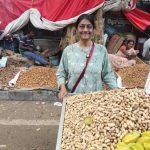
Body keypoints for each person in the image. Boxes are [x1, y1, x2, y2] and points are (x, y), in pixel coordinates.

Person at [56, 14, 118, 100]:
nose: (85, 30)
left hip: (95, 101)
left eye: (89, 27)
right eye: (82, 26)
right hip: (73, 100)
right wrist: (62, 88)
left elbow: (107, 74)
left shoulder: (101, 50)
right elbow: (61, 74)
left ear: (93, 29)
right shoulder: (68, 51)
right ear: (76, 29)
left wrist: (116, 89)